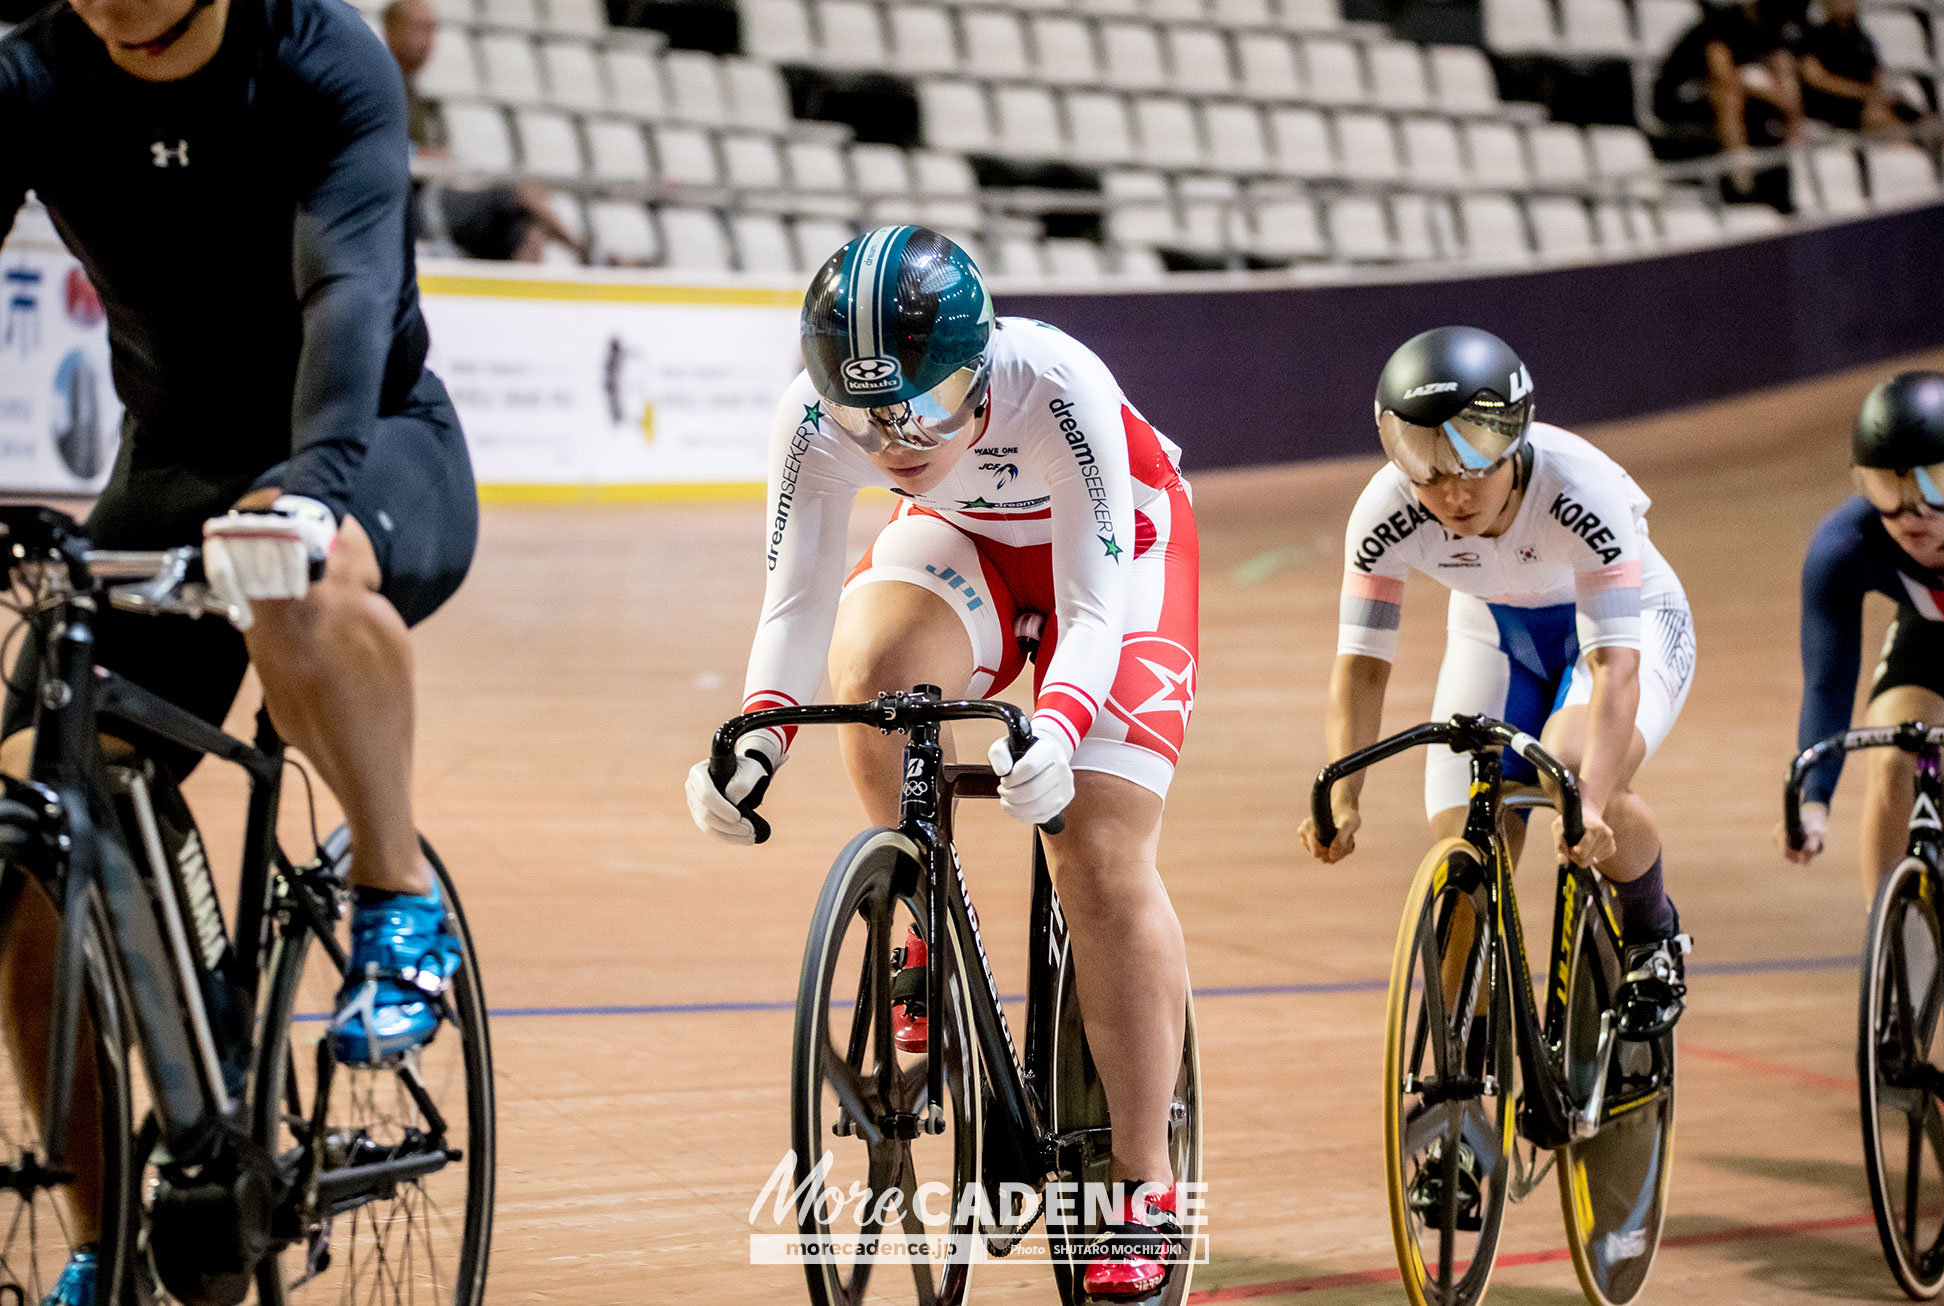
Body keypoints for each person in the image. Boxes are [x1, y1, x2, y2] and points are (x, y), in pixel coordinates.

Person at [0, 0, 478, 1294]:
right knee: (34, 811)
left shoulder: (321, 58)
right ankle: (118, 1236)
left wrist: (314, 482)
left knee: (297, 587)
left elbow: (348, 292)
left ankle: (397, 901)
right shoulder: (34, 69)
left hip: (368, 432)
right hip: (172, 461)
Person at [684, 225, 1200, 1300]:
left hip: (1121, 558)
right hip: (962, 541)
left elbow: (1096, 605)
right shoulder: (817, 417)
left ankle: (1143, 1185)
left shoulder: (1057, 383)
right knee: (870, 671)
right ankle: (924, 916)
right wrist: (754, 742)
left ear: (980, 367)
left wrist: (1056, 731)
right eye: (866, 414)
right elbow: (796, 603)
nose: (893, 438)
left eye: (921, 405)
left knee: (1097, 851)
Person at [1304, 326, 1696, 1054]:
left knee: (1573, 766)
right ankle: (1463, 1072)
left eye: (1471, 466)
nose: (1450, 493)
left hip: (1623, 628)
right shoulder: (1386, 510)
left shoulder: (1580, 489)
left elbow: (1615, 668)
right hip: (1496, 633)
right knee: (1466, 841)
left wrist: (1592, 801)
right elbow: (1361, 665)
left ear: (1512, 440)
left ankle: (1653, 935)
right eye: (1425, 467)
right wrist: (1345, 792)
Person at [1786, 372, 1944, 898]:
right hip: (1934, 644)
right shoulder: (1845, 545)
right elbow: (1828, 684)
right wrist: (1813, 802)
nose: (1914, 512)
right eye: (1889, 487)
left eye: (1937, 485)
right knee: (1894, 760)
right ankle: (1898, 958)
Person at [382, 0, 586, 262]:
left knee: (522, 230)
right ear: (391, 30)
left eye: (433, 30)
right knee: (514, 193)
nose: (429, 41)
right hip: (406, 205)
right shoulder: (376, 84)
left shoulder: (416, 94)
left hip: (429, 197)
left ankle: (526, 295)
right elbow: (368, 146)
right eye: (419, 29)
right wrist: (422, 155)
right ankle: (587, 251)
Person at [1653, 0, 1805, 207]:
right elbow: (1723, 76)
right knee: (1729, 96)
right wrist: (1774, 97)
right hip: (1681, 97)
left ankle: (1796, 173)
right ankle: (1741, 179)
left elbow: (1782, 72)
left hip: (1731, 99)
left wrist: (1788, 101)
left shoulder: (1773, 30)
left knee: (1783, 89)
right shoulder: (1721, 22)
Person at [1799, 0, 1944, 142]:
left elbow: (1875, 73)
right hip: (1839, 108)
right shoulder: (1816, 36)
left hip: (1871, 100)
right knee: (1885, 123)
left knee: (1935, 124)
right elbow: (1815, 77)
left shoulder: (1862, 38)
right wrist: (1864, 93)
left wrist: (1880, 97)